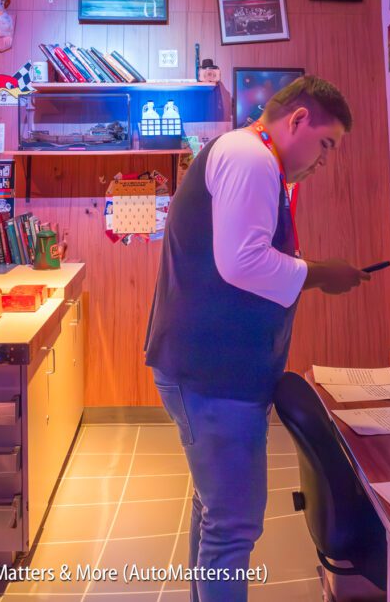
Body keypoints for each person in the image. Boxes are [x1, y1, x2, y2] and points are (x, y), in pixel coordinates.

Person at [145, 76, 367, 601]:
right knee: (234, 525)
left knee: (216, 512)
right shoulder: (250, 158)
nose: (324, 161)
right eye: (326, 144)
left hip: (209, 369)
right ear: (296, 121)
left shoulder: (250, 157)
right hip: (212, 374)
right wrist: (320, 273)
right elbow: (241, 262)